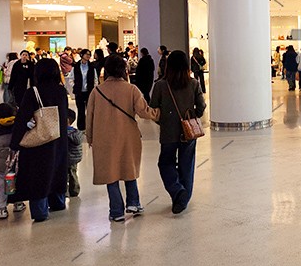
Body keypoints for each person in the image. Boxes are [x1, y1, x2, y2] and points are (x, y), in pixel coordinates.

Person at [87, 56, 158, 222]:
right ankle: (133, 203)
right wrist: (158, 114)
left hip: (104, 138)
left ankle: (116, 211)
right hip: (128, 136)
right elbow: (143, 111)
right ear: (124, 70)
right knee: (129, 168)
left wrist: (90, 138)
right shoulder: (131, 89)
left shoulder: (97, 91)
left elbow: (89, 117)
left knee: (110, 173)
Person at [8, 58, 69, 223]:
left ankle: (40, 212)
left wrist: (14, 143)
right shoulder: (61, 91)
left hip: (39, 142)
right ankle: (58, 202)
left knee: (39, 175)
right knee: (57, 170)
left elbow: (22, 119)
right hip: (59, 140)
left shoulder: (33, 92)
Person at [150, 50, 206, 214]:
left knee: (165, 163)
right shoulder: (193, 83)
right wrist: (192, 116)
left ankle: (177, 191)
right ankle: (183, 199)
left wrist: (163, 121)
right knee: (186, 165)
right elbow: (201, 106)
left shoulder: (160, 85)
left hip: (168, 132)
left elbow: (154, 109)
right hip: (189, 131)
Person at [72, 49, 98, 131]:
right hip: (79, 92)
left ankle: (90, 126)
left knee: (90, 110)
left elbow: (95, 79)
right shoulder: (76, 66)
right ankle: (81, 127)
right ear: (82, 55)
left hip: (89, 91)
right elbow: (70, 78)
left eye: (89, 54)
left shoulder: (91, 66)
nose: (88, 56)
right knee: (80, 110)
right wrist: (74, 87)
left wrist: (94, 89)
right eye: (86, 54)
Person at [66, 109, 83, 198]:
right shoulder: (77, 132)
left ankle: (65, 191)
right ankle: (74, 191)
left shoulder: (65, 133)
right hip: (75, 158)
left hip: (67, 157)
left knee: (65, 175)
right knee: (73, 174)